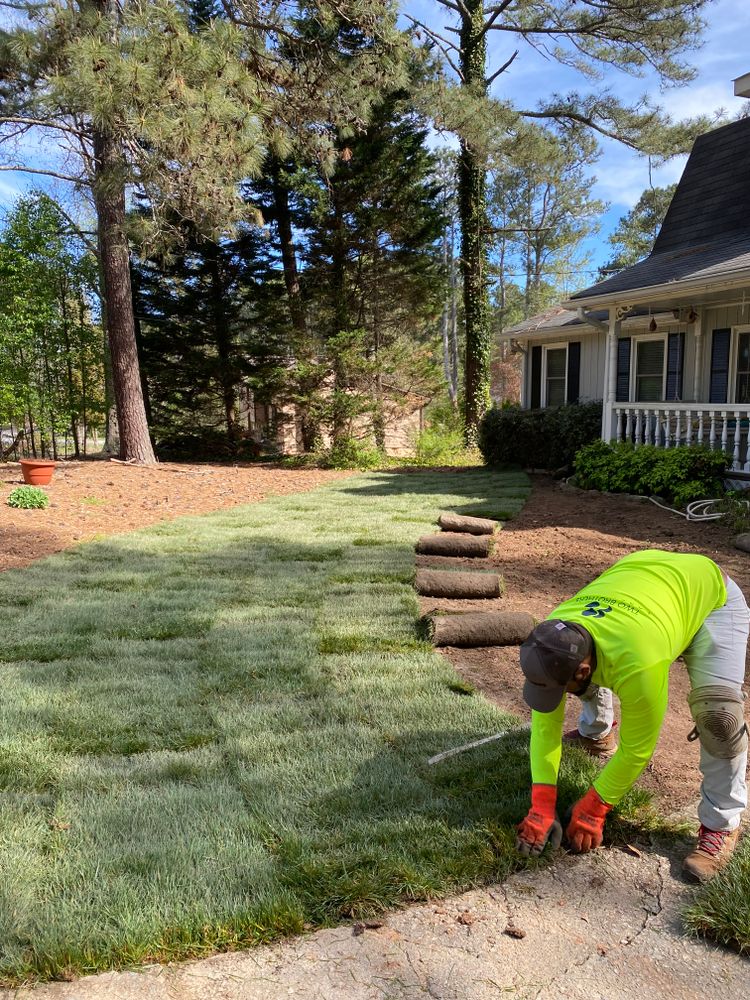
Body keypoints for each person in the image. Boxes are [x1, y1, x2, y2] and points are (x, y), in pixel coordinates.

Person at [515, 549, 749, 882]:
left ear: (583, 670)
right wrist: (541, 805)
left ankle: (722, 825)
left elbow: (638, 747)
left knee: (719, 717)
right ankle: (596, 734)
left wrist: (595, 808)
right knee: (584, 672)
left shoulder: (639, 660)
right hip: (644, 579)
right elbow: (544, 730)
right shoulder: (555, 634)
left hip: (711, 599)